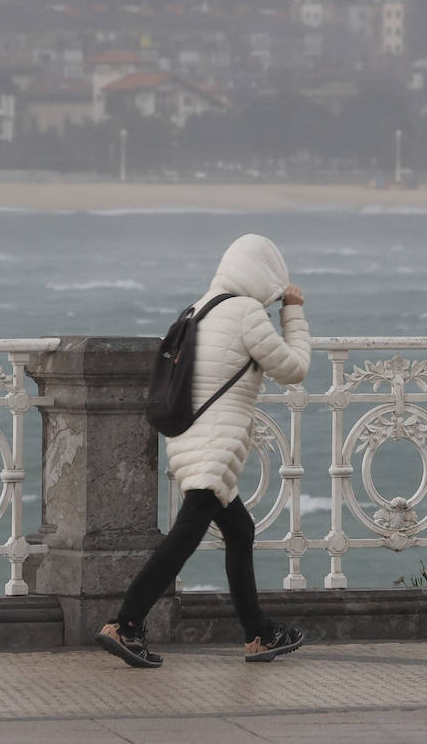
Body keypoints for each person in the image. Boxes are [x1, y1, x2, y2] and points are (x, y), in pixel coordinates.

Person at [96, 233, 311, 667]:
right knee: (184, 537)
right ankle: (125, 624)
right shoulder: (247, 312)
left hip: (186, 436)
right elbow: (294, 368)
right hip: (217, 442)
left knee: (239, 531)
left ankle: (260, 634)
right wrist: (293, 311)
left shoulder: (196, 309)